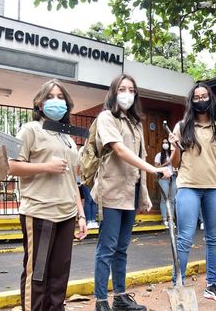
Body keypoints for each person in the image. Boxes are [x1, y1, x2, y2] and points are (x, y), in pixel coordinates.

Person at [92, 74, 171, 311]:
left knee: (122, 249)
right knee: (106, 248)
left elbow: (141, 156)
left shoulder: (136, 123)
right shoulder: (107, 118)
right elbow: (120, 150)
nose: (127, 93)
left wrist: (144, 195)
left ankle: (120, 297)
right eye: (122, 89)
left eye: (131, 89)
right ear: (114, 92)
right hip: (111, 191)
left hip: (131, 193)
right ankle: (101, 301)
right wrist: (154, 169)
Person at [9, 79, 88, 311]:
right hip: (41, 213)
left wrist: (81, 215)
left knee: (59, 277)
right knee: (38, 275)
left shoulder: (67, 138)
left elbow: (71, 179)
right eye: (50, 97)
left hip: (66, 215)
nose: (56, 101)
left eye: (60, 97)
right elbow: (12, 166)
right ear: (40, 104)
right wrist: (46, 166)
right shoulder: (30, 130)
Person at [168, 82, 216, 303]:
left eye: (204, 96)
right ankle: (178, 283)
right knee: (185, 237)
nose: (201, 100)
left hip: (214, 189)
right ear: (191, 101)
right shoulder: (181, 127)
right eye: (196, 97)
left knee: (214, 238)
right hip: (188, 186)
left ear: (211, 99)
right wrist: (176, 147)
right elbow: (175, 164)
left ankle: (212, 284)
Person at [154, 138, 176, 228]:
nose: (165, 144)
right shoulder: (159, 155)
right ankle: (164, 219)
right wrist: (166, 163)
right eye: (164, 142)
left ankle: (171, 220)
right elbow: (156, 168)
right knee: (164, 199)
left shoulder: (173, 154)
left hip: (173, 177)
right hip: (163, 178)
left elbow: (177, 166)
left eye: (167, 142)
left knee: (172, 200)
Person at [78, 146, 99, 229]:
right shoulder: (82, 150)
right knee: (88, 199)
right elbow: (78, 165)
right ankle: (88, 221)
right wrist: (78, 179)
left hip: (95, 179)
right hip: (85, 179)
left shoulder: (96, 150)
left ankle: (93, 221)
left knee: (94, 200)